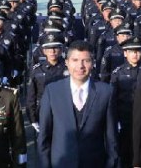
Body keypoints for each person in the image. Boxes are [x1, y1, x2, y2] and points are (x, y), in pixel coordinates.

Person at [37, 40, 118, 168]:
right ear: (67, 63)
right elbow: (44, 137)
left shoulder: (106, 92)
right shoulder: (52, 91)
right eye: (75, 60)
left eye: (85, 60)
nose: (80, 66)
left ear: (92, 64)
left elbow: (111, 138)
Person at [110, 37, 141, 168]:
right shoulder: (118, 73)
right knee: (126, 152)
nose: (135, 54)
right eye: (131, 51)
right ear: (125, 53)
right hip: (126, 119)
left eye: (137, 51)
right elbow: (112, 99)